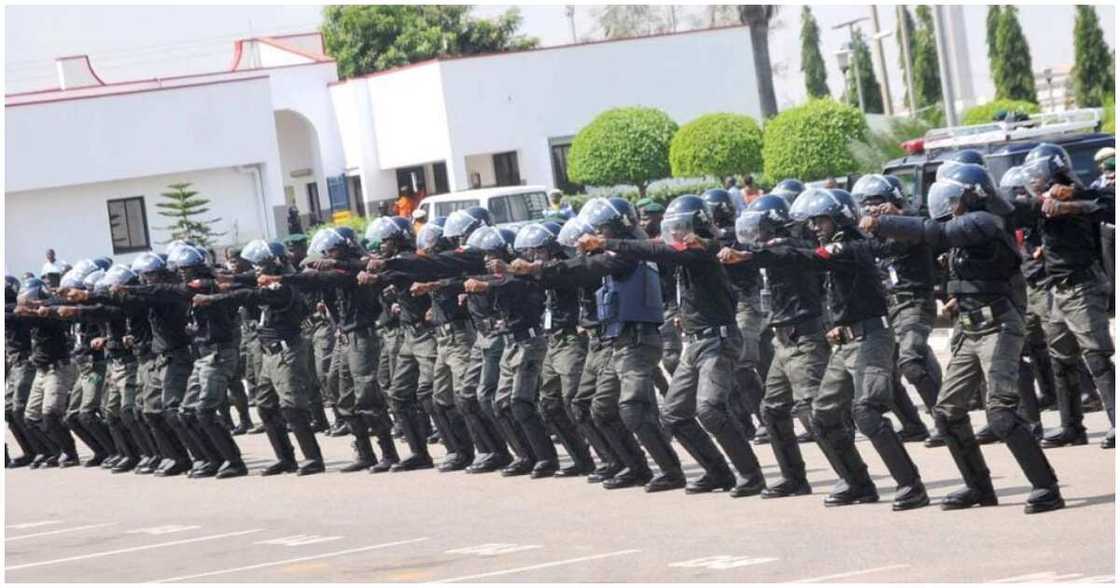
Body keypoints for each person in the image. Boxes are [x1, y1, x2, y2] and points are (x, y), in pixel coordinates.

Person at [863, 162, 1065, 514]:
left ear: (973, 195)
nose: (950, 205)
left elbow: (934, 233)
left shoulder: (985, 221)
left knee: (1001, 414)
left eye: (955, 198)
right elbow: (938, 234)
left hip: (998, 326)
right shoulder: (964, 225)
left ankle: (1046, 488)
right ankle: (979, 488)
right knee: (946, 413)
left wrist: (885, 223)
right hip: (970, 328)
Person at [591, 194, 767, 497]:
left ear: (698, 225)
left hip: (718, 340)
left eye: (682, 227)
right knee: (674, 413)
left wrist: (609, 243)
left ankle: (751, 475)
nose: (677, 233)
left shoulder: (704, 248)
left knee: (709, 409)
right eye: (675, 228)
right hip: (696, 342)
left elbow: (659, 251)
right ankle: (717, 472)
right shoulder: (686, 253)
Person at [779, 188, 930, 510]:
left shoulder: (854, 246)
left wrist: (758, 254)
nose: (815, 228)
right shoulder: (837, 249)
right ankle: (857, 483)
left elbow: (808, 258)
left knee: (867, 411)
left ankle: (911, 485)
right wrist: (838, 322)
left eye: (820, 221)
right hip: (847, 342)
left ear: (839, 219)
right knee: (823, 414)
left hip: (874, 338)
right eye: (812, 222)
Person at [719, 194, 828, 498]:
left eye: (761, 228)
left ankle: (856, 479)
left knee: (817, 409)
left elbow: (778, 254)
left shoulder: (796, 247)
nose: (756, 235)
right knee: (773, 410)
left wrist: (749, 256)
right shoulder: (764, 252)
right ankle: (794, 478)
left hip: (804, 336)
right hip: (781, 339)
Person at [201, 240, 325, 477]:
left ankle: (312, 458)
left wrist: (216, 298)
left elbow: (252, 293)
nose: (255, 270)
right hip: (268, 352)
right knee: (266, 406)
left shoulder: (282, 287)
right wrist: (220, 281)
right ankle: (285, 458)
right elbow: (247, 281)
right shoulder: (266, 280)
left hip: (286, 350)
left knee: (292, 407)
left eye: (259, 265)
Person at [1020, 144, 1115, 450]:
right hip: (1056, 288)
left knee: (1097, 356)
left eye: (1038, 175)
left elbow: (1108, 204)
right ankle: (1071, 427)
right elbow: (1015, 211)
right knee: (1061, 358)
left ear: (1055, 171)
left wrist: (1070, 203)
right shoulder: (1038, 202)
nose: (1033, 181)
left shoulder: (1080, 192)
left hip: (1082, 285)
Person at [290, 228, 399, 472]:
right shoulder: (329, 269)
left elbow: (351, 269)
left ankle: (388, 452)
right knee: (339, 390)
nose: (330, 255)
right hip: (342, 336)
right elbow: (309, 270)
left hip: (362, 335)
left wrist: (330, 264)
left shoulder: (356, 267)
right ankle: (364, 451)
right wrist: (316, 264)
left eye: (334, 250)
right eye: (327, 252)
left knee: (367, 394)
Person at [850, 175, 941, 445]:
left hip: (914, 299)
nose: (871, 209)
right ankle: (913, 425)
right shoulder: (871, 231)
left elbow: (920, 228)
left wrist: (893, 218)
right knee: (887, 370)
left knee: (911, 359)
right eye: (866, 205)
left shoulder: (910, 221)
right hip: (888, 304)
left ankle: (947, 421)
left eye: (877, 203)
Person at [635, 198, 681, 395]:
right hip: (646, 308)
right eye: (641, 219)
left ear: (660, 218)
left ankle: (684, 395)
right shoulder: (638, 241)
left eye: (647, 218)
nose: (643, 223)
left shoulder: (670, 240)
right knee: (644, 358)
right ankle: (668, 394)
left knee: (671, 357)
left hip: (668, 304)